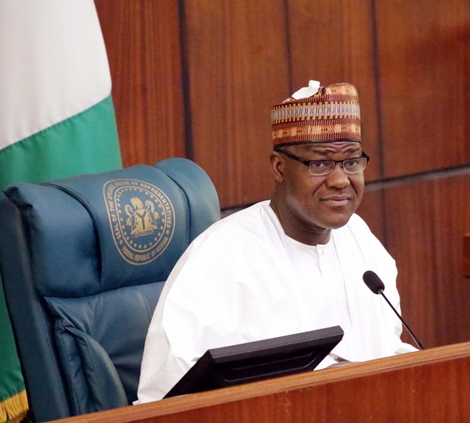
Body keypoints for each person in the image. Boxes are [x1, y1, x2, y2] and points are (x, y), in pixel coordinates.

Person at [136, 80, 416, 403]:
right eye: (320, 164)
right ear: (279, 167)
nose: (341, 180)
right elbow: (172, 394)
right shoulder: (221, 256)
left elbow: (386, 350)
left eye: (351, 162)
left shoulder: (360, 239)